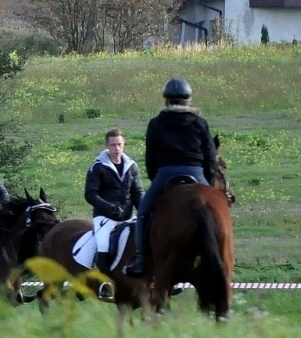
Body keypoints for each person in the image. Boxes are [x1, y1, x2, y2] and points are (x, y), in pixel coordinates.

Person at [124, 79, 215, 277]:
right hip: (196, 172)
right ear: (188, 100)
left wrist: (156, 178)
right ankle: (221, 256)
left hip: (165, 173)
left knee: (143, 214)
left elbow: (150, 159)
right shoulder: (200, 123)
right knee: (216, 211)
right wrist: (208, 183)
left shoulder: (156, 124)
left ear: (166, 100)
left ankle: (140, 259)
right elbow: (209, 156)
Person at [84, 127, 143, 273]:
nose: (116, 148)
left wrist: (144, 209)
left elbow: (137, 192)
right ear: (106, 146)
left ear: (124, 145)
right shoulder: (97, 167)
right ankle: (102, 281)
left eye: (119, 144)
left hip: (128, 216)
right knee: (103, 244)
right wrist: (109, 207)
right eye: (113, 145)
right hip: (104, 217)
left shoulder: (132, 166)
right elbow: (90, 194)